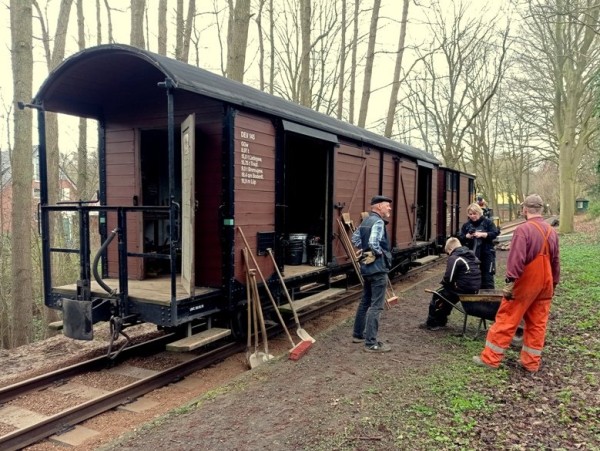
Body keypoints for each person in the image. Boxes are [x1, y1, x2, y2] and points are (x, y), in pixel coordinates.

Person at [473, 194, 560, 372]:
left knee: (507, 318)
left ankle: (490, 359)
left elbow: (517, 259)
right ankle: (531, 363)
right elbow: (555, 261)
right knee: (537, 323)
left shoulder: (524, 230)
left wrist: (511, 281)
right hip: (546, 283)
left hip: (527, 282)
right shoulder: (552, 231)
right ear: (541, 210)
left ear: (525, 210)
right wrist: (554, 283)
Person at [351, 195, 393, 353]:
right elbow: (373, 243)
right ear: (379, 206)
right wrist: (378, 252)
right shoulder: (378, 222)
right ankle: (371, 343)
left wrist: (365, 250)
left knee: (365, 302)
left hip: (366, 267)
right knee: (376, 306)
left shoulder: (366, 220)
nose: (389, 208)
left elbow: (355, 239)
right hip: (377, 267)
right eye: (387, 206)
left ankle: (357, 335)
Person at [420, 237, 481, 330]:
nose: (448, 255)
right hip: (474, 287)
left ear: (451, 249)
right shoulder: (471, 255)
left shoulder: (455, 257)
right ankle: (441, 321)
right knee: (447, 297)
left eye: (448, 253)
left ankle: (432, 323)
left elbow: (449, 277)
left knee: (437, 296)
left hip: (462, 288)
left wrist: (444, 283)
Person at [458, 203, 499, 289]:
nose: (472, 216)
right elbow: (460, 238)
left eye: (474, 214)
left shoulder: (488, 222)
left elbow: (495, 233)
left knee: (487, 277)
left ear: (479, 213)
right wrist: (467, 236)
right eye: (470, 214)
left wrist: (482, 234)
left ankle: (488, 298)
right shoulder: (466, 225)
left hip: (487, 253)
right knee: (472, 276)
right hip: (471, 254)